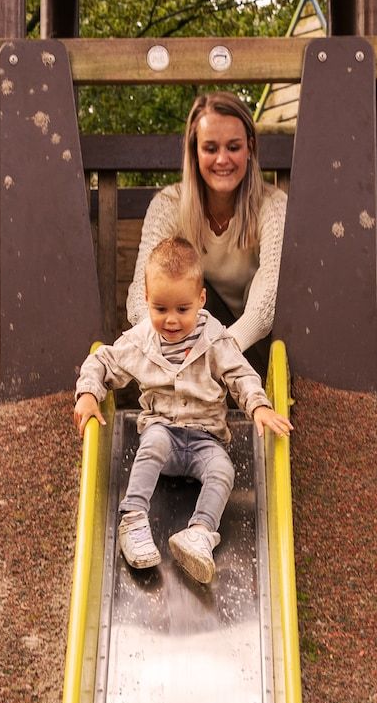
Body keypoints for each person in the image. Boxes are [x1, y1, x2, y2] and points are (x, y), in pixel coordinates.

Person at [74, 236, 292, 584]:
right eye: (160, 309)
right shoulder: (141, 340)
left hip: (205, 440)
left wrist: (259, 406)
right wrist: (88, 393)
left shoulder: (214, 340)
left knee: (223, 471)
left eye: (182, 309)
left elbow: (240, 375)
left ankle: (200, 533)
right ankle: (132, 518)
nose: (171, 320)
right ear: (146, 301)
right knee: (152, 445)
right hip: (164, 430)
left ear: (200, 300)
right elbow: (102, 360)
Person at [128, 91, 285, 363]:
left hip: (256, 347)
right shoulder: (169, 205)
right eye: (211, 149)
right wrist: (164, 348)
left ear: (249, 149)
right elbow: (142, 292)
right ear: (195, 151)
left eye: (233, 147)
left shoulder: (272, 205)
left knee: (267, 292)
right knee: (186, 286)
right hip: (187, 350)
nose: (222, 159)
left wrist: (223, 349)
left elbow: (270, 293)